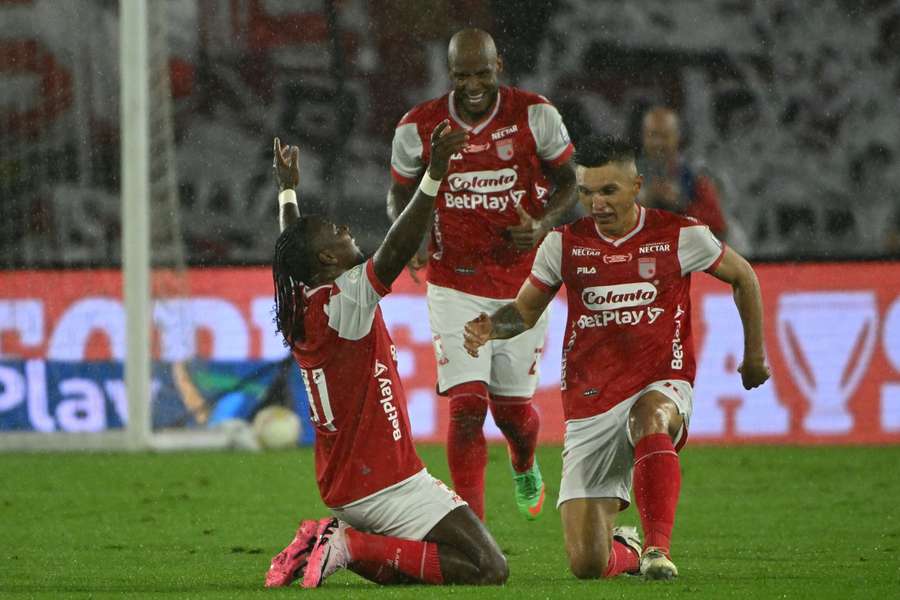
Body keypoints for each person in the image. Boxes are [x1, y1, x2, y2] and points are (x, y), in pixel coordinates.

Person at [463, 136, 770, 580]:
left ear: (636, 186)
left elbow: (744, 276)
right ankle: (625, 548)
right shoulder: (562, 245)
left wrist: (754, 355)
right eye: (587, 193)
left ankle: (656, 550)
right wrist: (493, 326)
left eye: (608, 191)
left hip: (661, 380)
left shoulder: (678, 234)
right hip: (591, 399)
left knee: (650, 417)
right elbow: (525, 311)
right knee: (587, 564)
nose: (596, 203)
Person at [264, 126, 508, 588]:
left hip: (344, 484)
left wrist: (287, 191)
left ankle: (329, 542)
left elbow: (293, 247)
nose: (348, 231)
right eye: (338, 233)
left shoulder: (300, 300)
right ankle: (349, 544)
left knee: (409, 564)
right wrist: (433, 175)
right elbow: (396, 249)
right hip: (386, 482)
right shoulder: (345, 300)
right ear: (327, 259)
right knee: (488, 568)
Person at [386, 28, 577, 521]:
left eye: (481, 73)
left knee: (512, 415)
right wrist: (407, 240)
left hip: (522, 287)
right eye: (461, 75)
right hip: (453, 283)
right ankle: (475, 530)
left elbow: (571, 181)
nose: (472, 85)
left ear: (500, 66)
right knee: (467, 407)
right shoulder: (418, 127)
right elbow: (397, 194)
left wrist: (542, 223)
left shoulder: (536, 115)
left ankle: (524, 459)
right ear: (449, 74)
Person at [639, 106, 731, 242]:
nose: (658, 143)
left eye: (664, 136)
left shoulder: (696, 175)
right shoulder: (629, 173)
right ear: (643, 136)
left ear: (677, 137)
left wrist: (681, 206)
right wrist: (640, 206)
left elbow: (718, 226)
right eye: (653, 135)